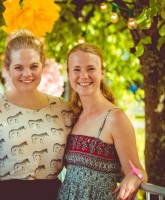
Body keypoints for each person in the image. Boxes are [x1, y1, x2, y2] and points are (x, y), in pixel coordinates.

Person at [0, 30, 74, 200]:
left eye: (34, 66)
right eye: (19, 67)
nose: (27, 74)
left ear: (43, 65)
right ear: (7, 68)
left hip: (50, 195)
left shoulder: (62, 109)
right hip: (1, 194)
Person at [58, 43, 148, 200]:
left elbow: (137, 170)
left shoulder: (115, 118)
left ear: (102, 73)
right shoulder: (74, 116)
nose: (84, 76)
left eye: (91, 69)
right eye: (77, 69)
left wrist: (135, 177)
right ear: (69, 74)